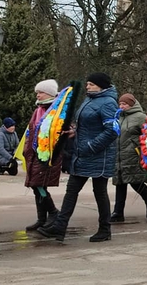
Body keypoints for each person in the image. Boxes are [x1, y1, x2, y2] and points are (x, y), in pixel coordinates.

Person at [38, 72, 119, 242]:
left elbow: (112, 131)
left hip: (98, 156)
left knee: (100, 192)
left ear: (101, 85)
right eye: (87, 84)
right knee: (71, 190)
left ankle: (105, 229)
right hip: (81, 153)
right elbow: (88, 125)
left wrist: (91, 146)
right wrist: (74, 132)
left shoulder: (109, 103)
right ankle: (60, 227)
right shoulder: (89, 99)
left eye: (91, 84)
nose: (87, 87)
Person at [110, 93, 147, 223]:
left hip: (134, 155)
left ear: (131, 104)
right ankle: (118, 212)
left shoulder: (140, 117)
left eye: (124, 104)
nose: (122, 106)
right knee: (120, 183)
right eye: (120, 104)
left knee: (135, 181)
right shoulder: (118, 117)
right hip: (120, 155)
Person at [23, 79, 62, 231]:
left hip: (46, 155)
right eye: (37, 93)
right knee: (35, 185)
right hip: (33, 154)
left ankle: (53, 212)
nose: (38, 95)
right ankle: (42, 218)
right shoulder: (38, 110)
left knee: (39, 185)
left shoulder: (56, 110)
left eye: (41, 92)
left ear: (50, 94)